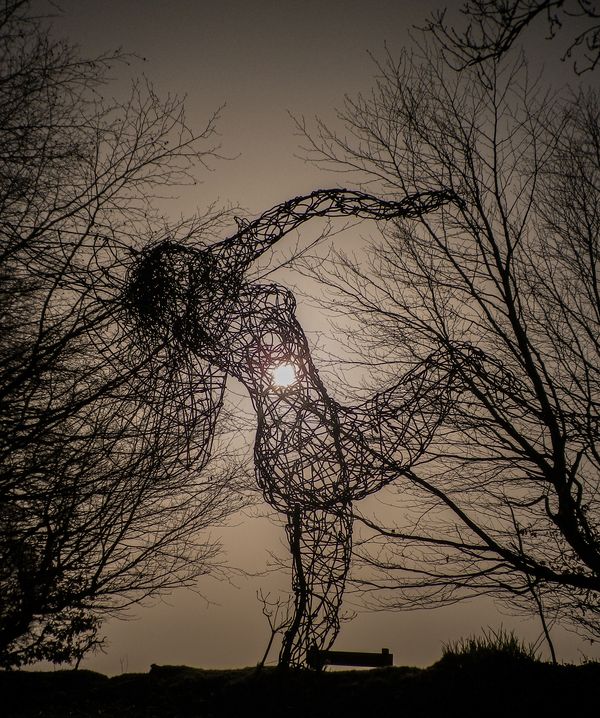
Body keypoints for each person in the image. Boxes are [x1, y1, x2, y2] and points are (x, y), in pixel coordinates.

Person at [125, 188, 453, 666]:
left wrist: (395, 208)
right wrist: (402, 209)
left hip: (304, 443)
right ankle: (297, 673)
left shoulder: (208, 301)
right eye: (179, 264)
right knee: (457, 364)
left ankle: (295, 667)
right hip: (313, 445)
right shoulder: (202, 321)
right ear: (173, 283)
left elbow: (306, 208)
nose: (192, 259)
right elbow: (190, 425)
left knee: (315, 589)